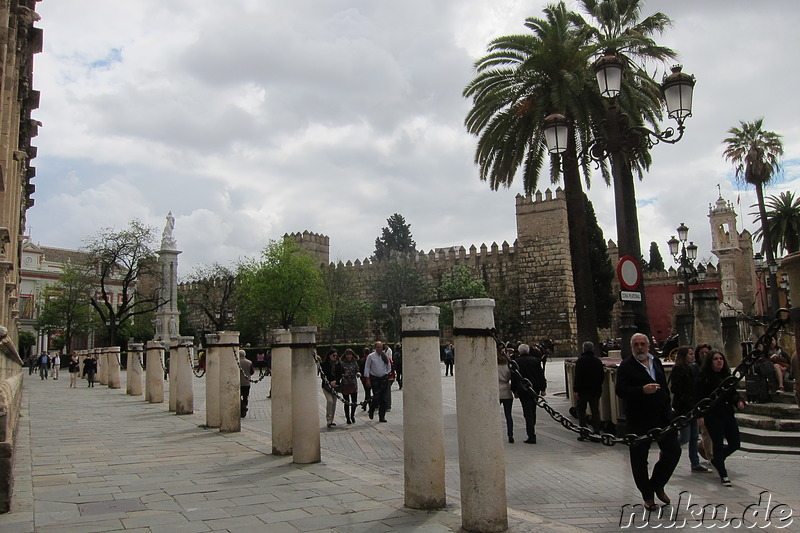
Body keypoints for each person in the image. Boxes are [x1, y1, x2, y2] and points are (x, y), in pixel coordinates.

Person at [615, 333, 681, 511]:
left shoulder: (656, 361)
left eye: (642, 344)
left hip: (662, 416)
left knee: (673, 451)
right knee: (639, 460)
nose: (639, 347)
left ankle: (657, 483)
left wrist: (668, 407)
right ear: (631, 347)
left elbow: (664, 387)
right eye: (636, 344)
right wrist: (641, 391)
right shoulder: (626, 366)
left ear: (648, 346)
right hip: (639, 419)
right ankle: (648, 495)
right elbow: (620, 390)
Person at [697, 350, 745, 487]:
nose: (719, 361)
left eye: (721, 359)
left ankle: (718, 459)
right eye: (715, 359)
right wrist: (700, 415)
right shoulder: (704, 378)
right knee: (717, 443)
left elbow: (733, 394)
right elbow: (699, 397)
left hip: (727, 413)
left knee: (735, 443)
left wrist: (738, 402)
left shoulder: (726, 376)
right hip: (713, 415)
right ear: (710, 362)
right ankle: (723, 474)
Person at [669, 346, 709, 472]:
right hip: (684, 408)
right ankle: (668, 449)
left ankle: (695, 463)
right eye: (690, 354)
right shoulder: (678, 369)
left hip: (693, 407)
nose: (693, 356)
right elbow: (675, 389)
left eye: (693, 354)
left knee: (693, 437)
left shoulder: (692, 369)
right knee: (685, 437)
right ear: (684, 356)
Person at [510, 343, 546, 444]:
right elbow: (541, 375)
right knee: (533, 410)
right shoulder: (535, 361)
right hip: (535, 389)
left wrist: (514, 390)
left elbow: (514, 378)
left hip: (523, 390)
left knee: (527, 412)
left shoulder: (516, 362)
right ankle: (532, 428)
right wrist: (543, 389)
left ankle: (531, 434)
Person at [573, 341, 604, 440]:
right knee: (595, 410)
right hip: (595, 390)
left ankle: (584, 431)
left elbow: (578, 377)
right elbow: (601, 376)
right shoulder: (597, 361)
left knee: (581, 410)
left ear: (584, 349)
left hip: (583, 391)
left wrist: (576, 389)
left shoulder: (580, 361)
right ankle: (596, 432)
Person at [364, 341, 392, 422]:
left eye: (381, 347)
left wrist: (387, 374)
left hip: (384, 379)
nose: (379, 349)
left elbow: (388, 366)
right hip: (375, 379)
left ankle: (382, 416)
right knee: (376, 397)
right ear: (375, 348)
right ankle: (372, 409)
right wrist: (367, 379)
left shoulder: (385, 356)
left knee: (384, 399)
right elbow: (367, 367)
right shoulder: (371, 356)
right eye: (378, 347)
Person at [320, 349, 342, 428]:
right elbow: (323, 375)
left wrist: (336, 381)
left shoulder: (338, 364)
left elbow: (340, 374)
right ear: (329, 356)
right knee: (330, 401)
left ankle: (331, 420)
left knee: (334, 403)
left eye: (336, 355)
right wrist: (329, 382)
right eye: (333, 355)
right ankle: (328, 419)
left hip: (335, 386)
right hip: (326, 386)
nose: (335, 357)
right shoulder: (324, 364)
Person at [497, 348, 514, 443]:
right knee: (508, 415)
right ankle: (510, 434)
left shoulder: (494, 367)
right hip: (507, 391)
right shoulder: (508, 366)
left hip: (497, 392)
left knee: (495, 415)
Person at [339, 349, 360, 424]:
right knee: (346, 402)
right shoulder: (342, 363)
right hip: (345, 383)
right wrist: (344, 375)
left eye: (350, 354)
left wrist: (358, 373)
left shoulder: (354, 362)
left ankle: (352, 415)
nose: (349, 356)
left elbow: (357, 370)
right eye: (347, 354)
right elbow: (339, 373)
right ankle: (347, 418)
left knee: (354, 401)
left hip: (353, 383)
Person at [238, 350, 254, 418]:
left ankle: (242, 406)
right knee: (245, 396)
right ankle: (244, 406)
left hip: (238, 383)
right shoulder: (249, 362)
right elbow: (252, 372)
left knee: (238, 396)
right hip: (246, 383)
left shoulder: (236, 362)